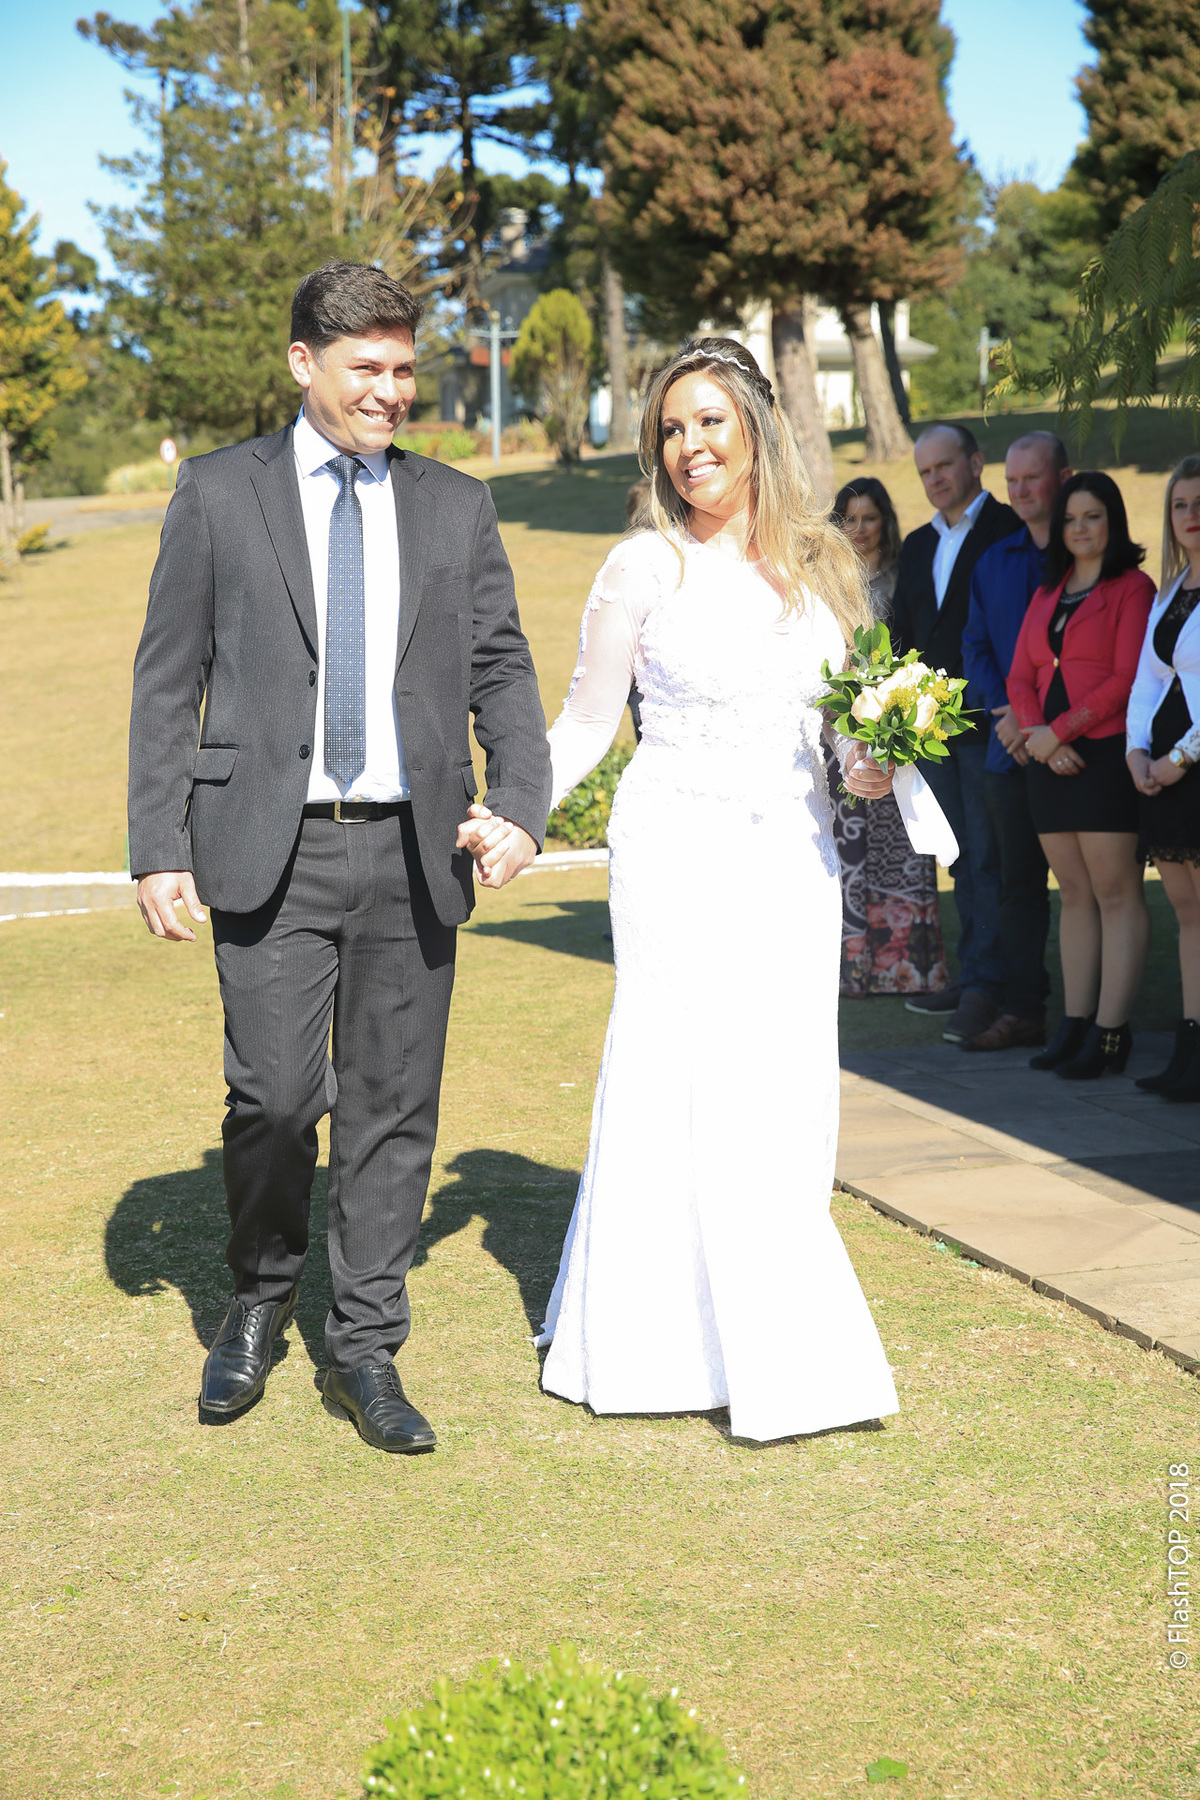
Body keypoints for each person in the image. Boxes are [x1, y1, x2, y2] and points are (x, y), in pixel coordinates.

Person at [128, 261, 551, 1453]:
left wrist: (520, 799)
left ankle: (366, 1346)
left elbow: (502, 670)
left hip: (418, 851)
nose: (391, 391)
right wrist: (156, 844)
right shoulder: (217, 495)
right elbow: (169, 680)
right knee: (271, 1099)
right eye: (367, 367)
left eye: (406, 368)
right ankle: (259, 1298)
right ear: (304, 363)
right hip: (268, 847)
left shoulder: (456, 506)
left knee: (392, 1109)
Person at [527, 336, 900, 1444]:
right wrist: (512, 807)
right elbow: (589, 723)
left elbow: (847, 742)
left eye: (709, 424)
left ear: (753, 430)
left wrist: (873, 764)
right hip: (675, 847)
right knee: (674, 1069)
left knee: (781, 1083)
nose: (691, 447)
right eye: (672, 429)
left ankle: (780, 1343)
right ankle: (653, 1343)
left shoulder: (824, 566)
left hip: (792, 857)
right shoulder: (645, 568)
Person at [1007, 473, 1155, 1078]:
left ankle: (1111, 1032)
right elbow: (1020, 675)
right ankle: (1074, 1024)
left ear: (1112, 521)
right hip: (1049, 760)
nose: (1080, 528)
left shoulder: (1133, 588)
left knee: (1116, 893)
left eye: (1092, 517)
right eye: (1070, 519)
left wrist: (1057, 733)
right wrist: (1037, 737)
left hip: (1103, 757)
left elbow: (1125, 679)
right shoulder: (1049, 591)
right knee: (1073, 896)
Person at [889, 425, 1020, 1045]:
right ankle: (975, 975)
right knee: (963, 858)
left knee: (993, 858)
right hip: (934, 731)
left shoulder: (1008, 532)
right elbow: (902, 635)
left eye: (945, 465)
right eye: (925, 472)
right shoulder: (918, 546)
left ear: (975, 463)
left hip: (994, 724)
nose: (936, 478)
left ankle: (990, 987)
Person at [960, 432, 1073, 1050]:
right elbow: (975, 646)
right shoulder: (994, 561)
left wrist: (1042, 724)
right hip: (1009, 748)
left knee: (1089, 889)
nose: (1023, 491)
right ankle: (1024, 1006)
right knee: (1017, 884)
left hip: (1075, 748)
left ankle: (1100, 1017)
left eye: (1034, 478)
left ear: (1062, 477)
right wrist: (1006, 709)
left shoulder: (1086, 556)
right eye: (1014, 481)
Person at [827, 477, 948, 996]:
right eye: (848, 518)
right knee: (849, 852)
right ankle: (852, 970)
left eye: (869, 518)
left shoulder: (905, 576)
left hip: (899, 732)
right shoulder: (823, 582)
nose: (859, 529)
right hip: (843, 735)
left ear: (886, 522)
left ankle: (906, 968)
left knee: (902, 848)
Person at [1126, 456, 1200, 1100]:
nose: (1191, 516)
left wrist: (1178, 760)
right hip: (1160, 772)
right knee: (1188, 915)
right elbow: (1148, 679)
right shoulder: (1171, 592)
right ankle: (1189, 1049)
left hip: (1192, 772)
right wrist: (1135, 752)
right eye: (1180, 505)